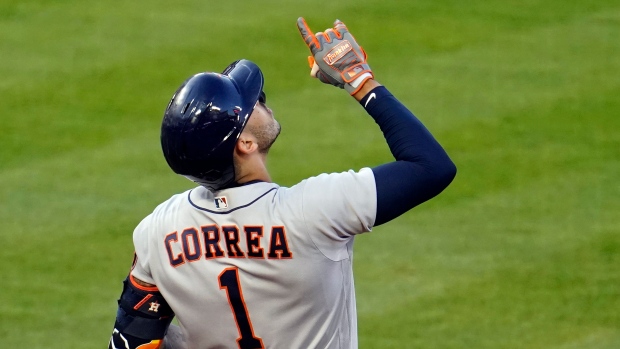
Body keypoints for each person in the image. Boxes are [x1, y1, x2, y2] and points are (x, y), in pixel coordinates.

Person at [109, 17, 456, 349]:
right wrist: (360, 81)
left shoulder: (158, 231)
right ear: (245, 144)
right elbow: (431, 166)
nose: (261, 101)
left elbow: (132, 340)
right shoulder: (314, 212)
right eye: (251, 105)